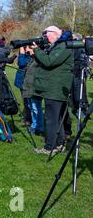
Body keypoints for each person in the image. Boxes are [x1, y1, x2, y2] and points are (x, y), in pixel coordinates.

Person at [32, 26, 74, 155]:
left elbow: (49, 61)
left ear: (55, 34)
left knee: (51, 119)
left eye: (46, 34)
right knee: (57, 118)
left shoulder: (63, 46)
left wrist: (37, 51)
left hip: (55, 89)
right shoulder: (58, 46)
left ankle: (49, 147)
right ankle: (59, 144)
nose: (44, 37)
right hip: (55, 88)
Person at [22, 46, 44, 136]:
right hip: (29, 87)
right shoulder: (31, 59)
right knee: (32, 108)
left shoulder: (39, 59)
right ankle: (35, 126)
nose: (27, 50)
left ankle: (38, 127)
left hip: (35, 88)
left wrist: (36, 53)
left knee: (36, 108)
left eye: (28, 48)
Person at [14, 47, 32, 126]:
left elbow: (21, 63)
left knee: (27, 101)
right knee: (25, 101)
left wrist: (21, 54)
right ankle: (27, 117)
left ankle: (28, 119)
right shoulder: (27, 56)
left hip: (27, 82)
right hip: (22, 82)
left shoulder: (30, 56)